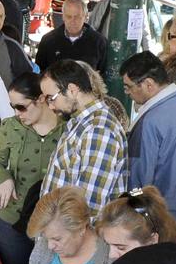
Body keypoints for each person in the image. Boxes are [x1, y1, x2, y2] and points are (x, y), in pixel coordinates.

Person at [0, 72, 66, 264]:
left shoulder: (68, 129)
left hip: (54, 224)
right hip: (13, 219)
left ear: (41, 99)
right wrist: (4, 179)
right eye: (12, 107)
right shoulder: (10, 127)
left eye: (21, 107)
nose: (17, 113)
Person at [119, 52, 176, 223]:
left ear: (148, 84)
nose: (127, 92)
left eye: (128, 87)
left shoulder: (150, 121)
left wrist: (129, 200)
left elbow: (140, 178)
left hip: (157, 212)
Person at [41, 59, 128, 212]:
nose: (50, 106)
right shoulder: (81, 122)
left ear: (73, 90)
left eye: (51, 98)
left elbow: (88, 206)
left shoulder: (99, 130)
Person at [33, 0, 108, 73]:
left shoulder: (99, 42)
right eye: (69, 17)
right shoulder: (48, 40)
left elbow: (102, 74)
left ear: (85, 17)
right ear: (63, 17)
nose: (73, 21)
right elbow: (39, 71)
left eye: (77, 17)